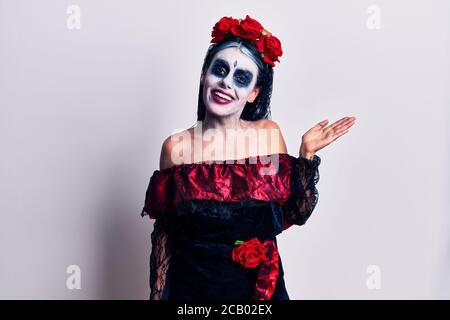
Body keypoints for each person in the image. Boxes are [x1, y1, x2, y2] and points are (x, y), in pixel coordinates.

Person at [141, 15, 356, 300]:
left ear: (254, 93)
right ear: (204, 74)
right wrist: (158, 296)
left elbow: (293, 214)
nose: (226, 83)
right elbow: (166, 235)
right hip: (192, 293)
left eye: (241, 78)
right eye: (219, 70)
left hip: (259, 290)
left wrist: (306, 155)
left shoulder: (267, 134)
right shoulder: (175, 147)